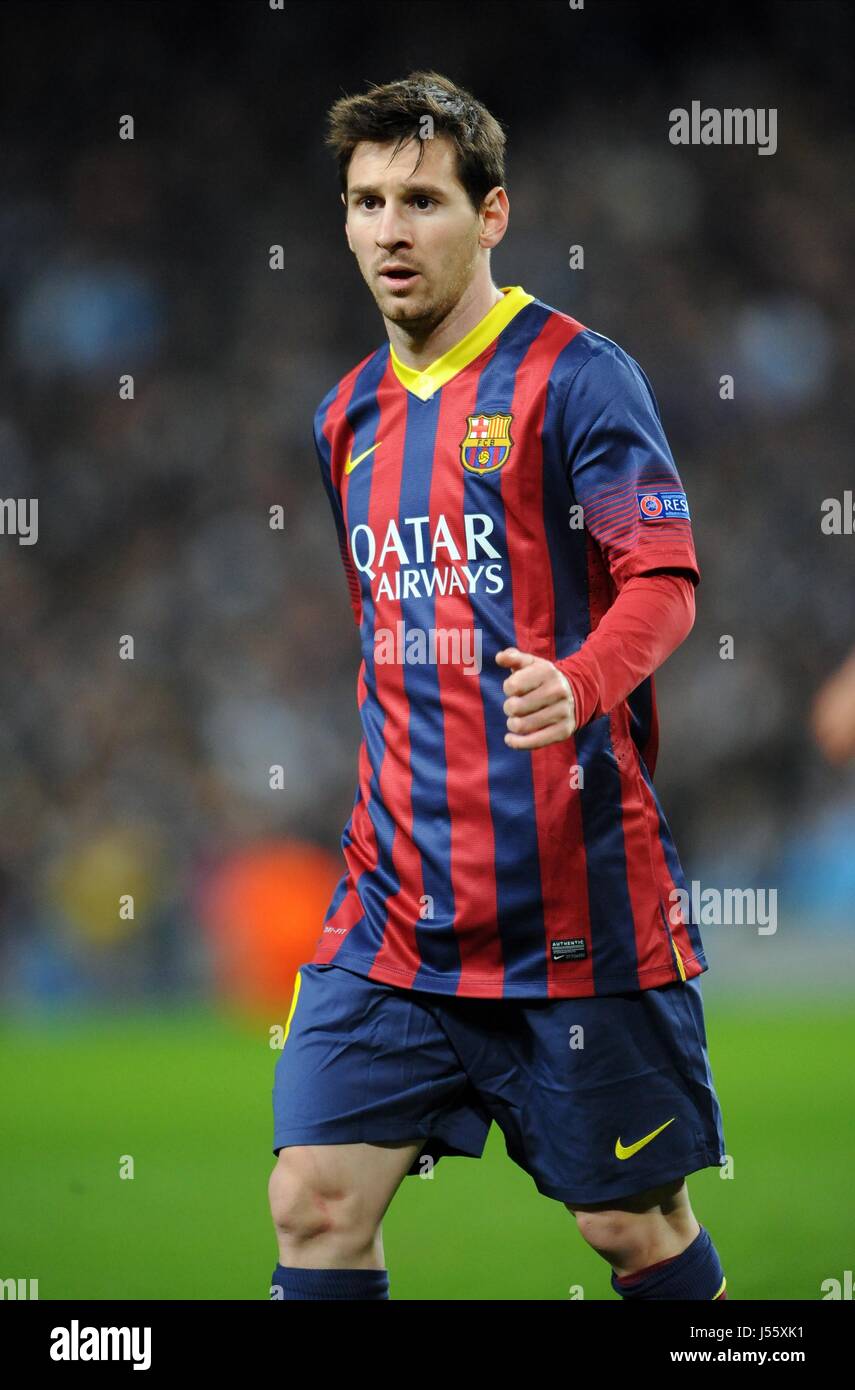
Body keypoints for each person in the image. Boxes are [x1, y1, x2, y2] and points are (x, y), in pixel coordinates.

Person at [268, 70, 727, 1302]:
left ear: (494, 213)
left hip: (574, 907)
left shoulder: (579, 378)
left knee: (632, 1227)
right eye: (366, 201)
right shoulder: (343, 417)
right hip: (395, 912)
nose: (389, 230)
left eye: (421, 198)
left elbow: (667, 580)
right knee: (313, 1200)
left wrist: (579, 681)